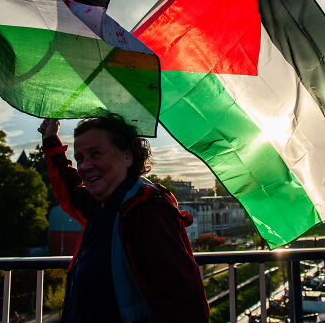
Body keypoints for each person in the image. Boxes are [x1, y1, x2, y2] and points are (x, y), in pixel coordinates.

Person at [39, 115, 209, 323]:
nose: (84, 166)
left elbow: (185, 305)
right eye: (80, 158)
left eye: (96, 154)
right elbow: (70, 190)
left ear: (127, 156)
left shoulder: (146, 211)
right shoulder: (103, 205)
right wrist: (51, 141)